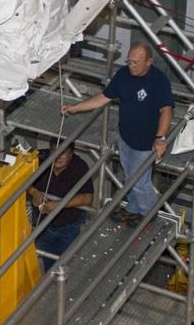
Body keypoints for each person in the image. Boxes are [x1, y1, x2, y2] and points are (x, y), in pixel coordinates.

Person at [60, 42, 173, 221]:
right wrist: (76, 108)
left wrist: (160, 138)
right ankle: (134, 209)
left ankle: (148, 216)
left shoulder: (158, 81)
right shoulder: (123, 75)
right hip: (126, 137)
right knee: (130, 177)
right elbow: (103, 98)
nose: (131, 66)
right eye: (129, 61)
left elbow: (166, 110)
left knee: (140, 182)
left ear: (148, 62)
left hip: (145, 143)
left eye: (136, 62)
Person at [28, 145, 94, 270]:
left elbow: (87, 198)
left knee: (66, 265)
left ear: (71, 154)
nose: (58, 157)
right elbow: (21, 181)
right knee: (47, 260)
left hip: (68, 228)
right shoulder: (39, 159)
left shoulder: (79, 167)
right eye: (55, 152)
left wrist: (60, 204)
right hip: (42, 226)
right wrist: (34, 192)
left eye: (63, 153)